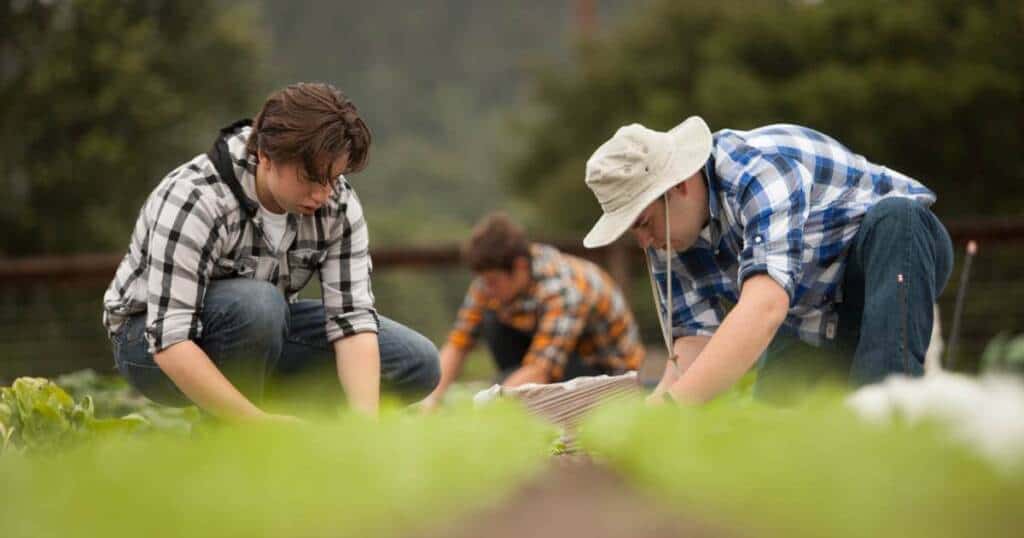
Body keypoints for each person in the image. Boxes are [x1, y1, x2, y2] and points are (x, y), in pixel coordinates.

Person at [102, 82, 439, 420]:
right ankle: (234, 437)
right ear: (265, 155)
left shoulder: (338, 205)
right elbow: (169, 338)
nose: (323, 194)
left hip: (262, 331)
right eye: (310, 178)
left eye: (333, 178)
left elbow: (352, 321)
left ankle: (313, 437)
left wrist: (365, 424)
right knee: (258, 304)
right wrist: (257, 426)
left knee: (415, 362)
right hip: (149, 344)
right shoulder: (195, 199)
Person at [582, 117, 953, 405]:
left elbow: (765, 307)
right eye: (634, 230)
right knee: (770, 436)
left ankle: (889, 423)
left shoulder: (756, 169)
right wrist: (654, 414)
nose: (645, 241)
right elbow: (692, 348)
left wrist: (676, 410)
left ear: (678, 186)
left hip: (888, 266)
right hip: (810, 316)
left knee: (897, 218)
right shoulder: (670, 238)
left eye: (644, 223)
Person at [420, 213, 645, 411]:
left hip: (606, 371)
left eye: (492, 281)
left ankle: (517, 402)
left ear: (519, 266)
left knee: (507, 386)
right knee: (492, 320)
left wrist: (488, 410)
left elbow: (541, 368)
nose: (486, 288)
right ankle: (515, 395)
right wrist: (429, 401)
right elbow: (459, 342)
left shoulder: (561, 289)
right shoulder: (488, 284)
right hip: (554, 359)